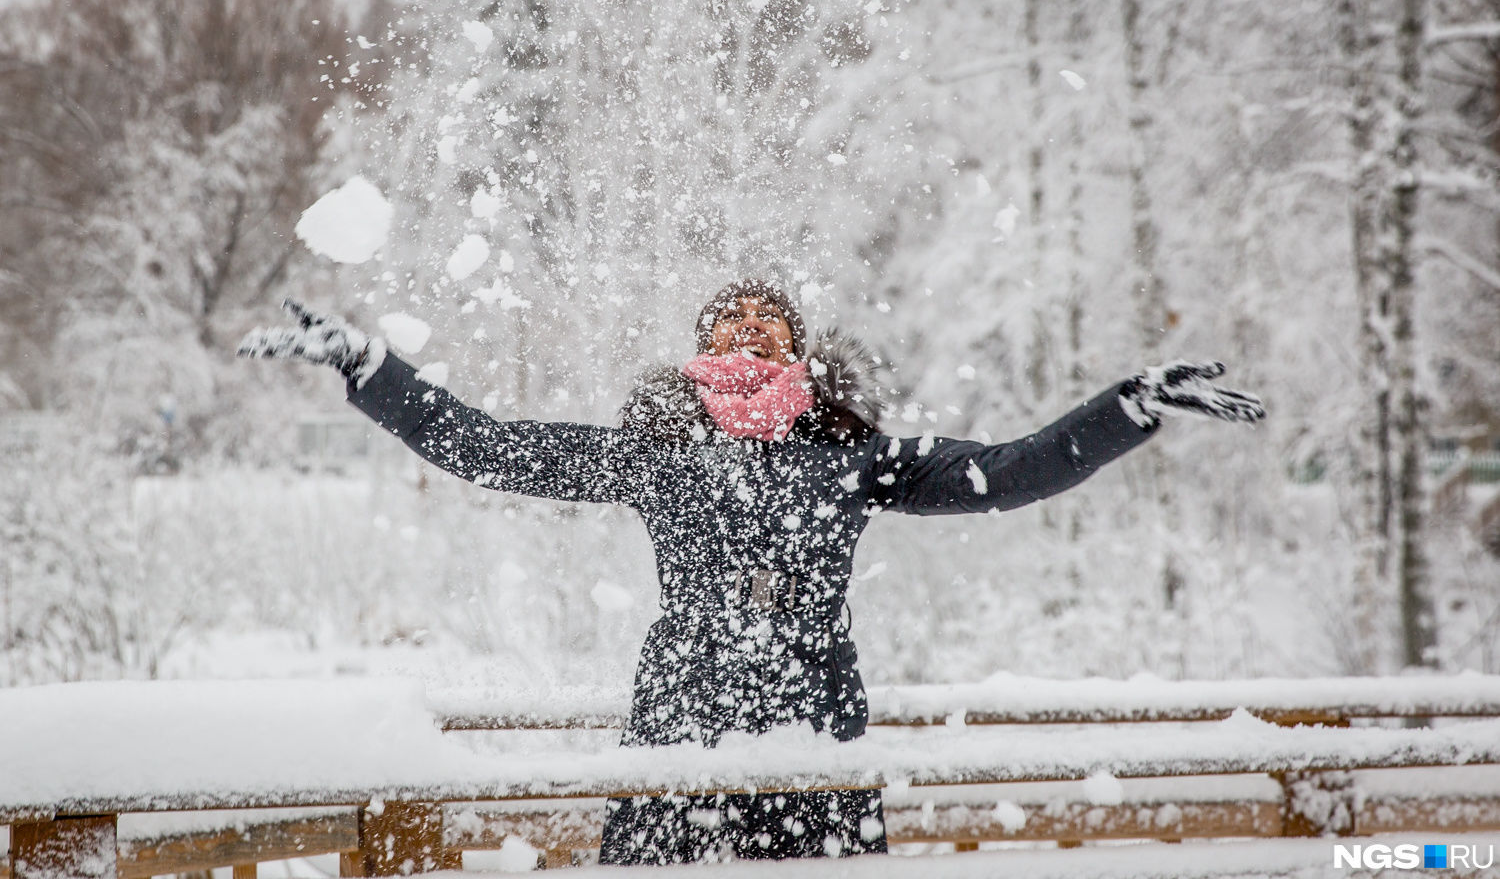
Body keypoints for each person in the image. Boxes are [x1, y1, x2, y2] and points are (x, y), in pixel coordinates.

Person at [238, 278, 1264, 864]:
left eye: (767, 320)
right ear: (698, 347)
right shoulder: (657, 451)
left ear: (798, 350)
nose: (746, 328)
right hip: (677, 715)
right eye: (727, 319)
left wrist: (1128, 404)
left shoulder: (856, 456)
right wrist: (371, 369)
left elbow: (1006, 472)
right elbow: (489, 446)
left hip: (811, 717)